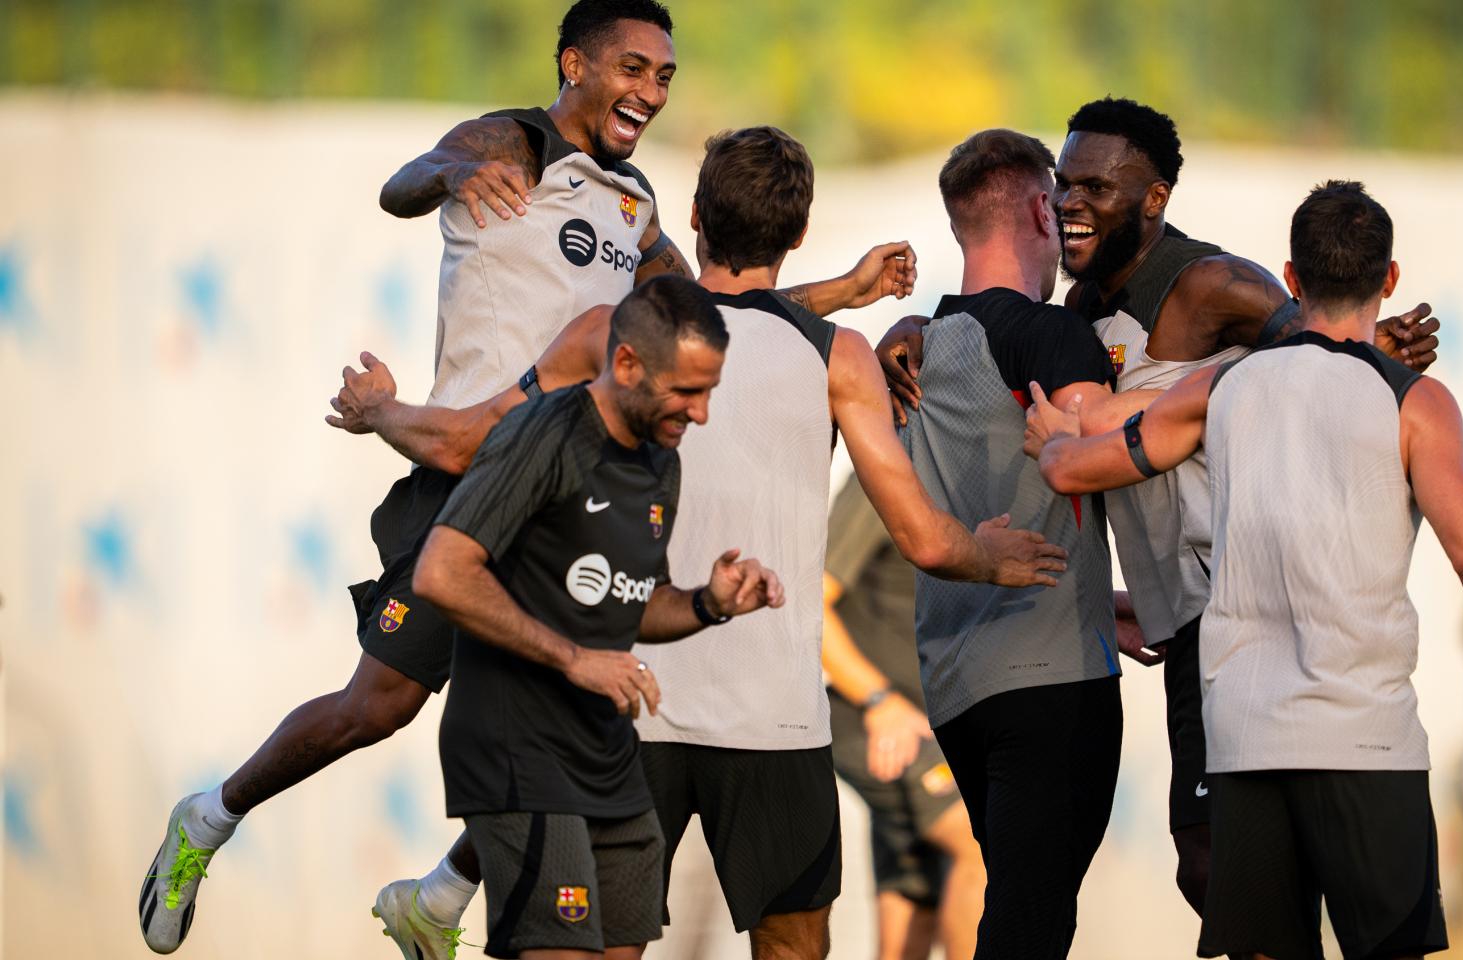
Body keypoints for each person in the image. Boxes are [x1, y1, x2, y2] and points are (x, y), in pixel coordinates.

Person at [137, 3, 913, 955]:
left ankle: (442, 895)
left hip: (569, 489)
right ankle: (211, 818)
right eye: (633, 67)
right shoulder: (514, 140)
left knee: (584, 718)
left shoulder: (637, 208)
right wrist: (456, 170)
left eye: (665, 76)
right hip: (471, 470)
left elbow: (719, 306)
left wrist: (843, 294)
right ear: (572, 62)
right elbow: (404, 183)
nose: (650, 91)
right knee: (376, 707)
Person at [327, 125, 1068, 960]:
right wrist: (992, 555)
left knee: (598, 945)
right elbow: (925, 542)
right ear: (797, 233)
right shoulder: (838, 356)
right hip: (774, 719)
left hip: (624, 706)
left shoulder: (613, 333)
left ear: (694, 219)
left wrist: (380, 411)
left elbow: (468, 442)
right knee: (793, 945)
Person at [877, 98, 1441, 915]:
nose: (1072, 202)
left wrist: (1375, 350)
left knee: (1233, 868)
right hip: (1181, 626)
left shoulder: (1214, 284)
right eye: (1063, 184)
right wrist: (916, 327)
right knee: (1209, 868)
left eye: (1097, 187)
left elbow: (1317, 359)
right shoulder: (1072, 316)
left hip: (1245, 611)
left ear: (1154, 199)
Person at [1028, 180, 1463, 960]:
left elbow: (1087, 464)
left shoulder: (1221, 389)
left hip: (1246, 739)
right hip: (1366, 740)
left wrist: (1052, 441)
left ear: (1290, 278)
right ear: (1388, 280)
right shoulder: (1415, 402)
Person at [415, 275, 783, 959]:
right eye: (687, 391)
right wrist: (574, 659)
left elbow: (635, 601)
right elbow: (441, 571)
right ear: (625, 364)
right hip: (513, 746)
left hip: (608, 759)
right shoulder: (542, 435)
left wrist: (709, 603)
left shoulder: (658, 459)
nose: (701, 413)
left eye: (710, 391)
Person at [890, 127, 1139, 960]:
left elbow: (973, 490)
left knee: (1027, 912)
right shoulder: (1047, 333)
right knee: (1033, 925)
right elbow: (1100, 451)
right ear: (1042, 207)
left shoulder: (924, 344)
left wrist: (1102, 597)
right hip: (1051, 673)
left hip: (958, 683)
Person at [821, 481, 985, 960]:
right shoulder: (888, 473)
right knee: (980, 844)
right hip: (877, 721)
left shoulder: (965, 476)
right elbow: (812, 601)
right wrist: (879, 701)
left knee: (914, 889)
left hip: (934, 730)